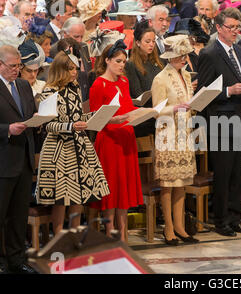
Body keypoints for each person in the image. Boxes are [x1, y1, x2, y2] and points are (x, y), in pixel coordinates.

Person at [197, 7, 241, 236]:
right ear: (218, 28)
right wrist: (227, 90)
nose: (236, 31)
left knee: (240, 171)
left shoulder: (240, 51)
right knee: (224, 173)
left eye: (238, 27)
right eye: (231, 27)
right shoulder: (209, 54)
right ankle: (221, 220)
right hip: (221, 120)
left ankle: (235, 217)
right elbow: (203, 93)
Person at [35, 51, 110, 235]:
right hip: (59, 150)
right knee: (61, 199)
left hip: (79, 147)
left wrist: (95, 116)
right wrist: (71, 126)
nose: (74, 73)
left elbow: (78, 117)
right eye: (70, 69)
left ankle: (75, 236)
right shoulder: (49, 91)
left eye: (75, 69)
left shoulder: (75, 88)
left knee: (80, 196)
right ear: (60, 70)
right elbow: (48, 125)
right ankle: (59, 237)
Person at [0, 45, 36, 274]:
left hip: (23, 159)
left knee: (18, 215)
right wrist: (7, 129)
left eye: (19, 65)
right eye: (13, 66)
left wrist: (37, 119)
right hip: (0, 161)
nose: (17, 70)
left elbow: (29, 115)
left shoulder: (24, 85)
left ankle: (17, 260)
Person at [89, 40, 144, 243]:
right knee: (111, 190)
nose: (122, 65)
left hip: (126, 138)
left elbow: (128, 107)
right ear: (107, 61)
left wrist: (143, 113)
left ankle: (123, 235)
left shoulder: (124, 82)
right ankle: (111, 235)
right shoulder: (98, 84)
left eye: (124, 61)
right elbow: (95, 119)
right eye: (118, 61)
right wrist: (114, 119)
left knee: (124, 190)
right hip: (109, 141)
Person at [151, 34, 199, 245]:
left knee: (182, 182)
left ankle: (180, 226)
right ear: (170, 57)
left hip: (185, 132)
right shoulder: (160, 78)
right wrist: (176, 107)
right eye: (180, 55)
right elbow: (157, 110)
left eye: (186, 55)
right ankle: (168, 228)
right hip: (168, 134)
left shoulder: (187, 76)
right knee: (168, 184)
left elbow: (188, 102)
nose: (184, 59)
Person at [125, 20, 164, 137]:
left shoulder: (158, 61)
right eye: (147, 41)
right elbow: (138, 95)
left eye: (153, 41)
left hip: (161, 108)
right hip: (146, 114)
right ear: (137, 42)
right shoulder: (131, 64)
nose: (151, 44)